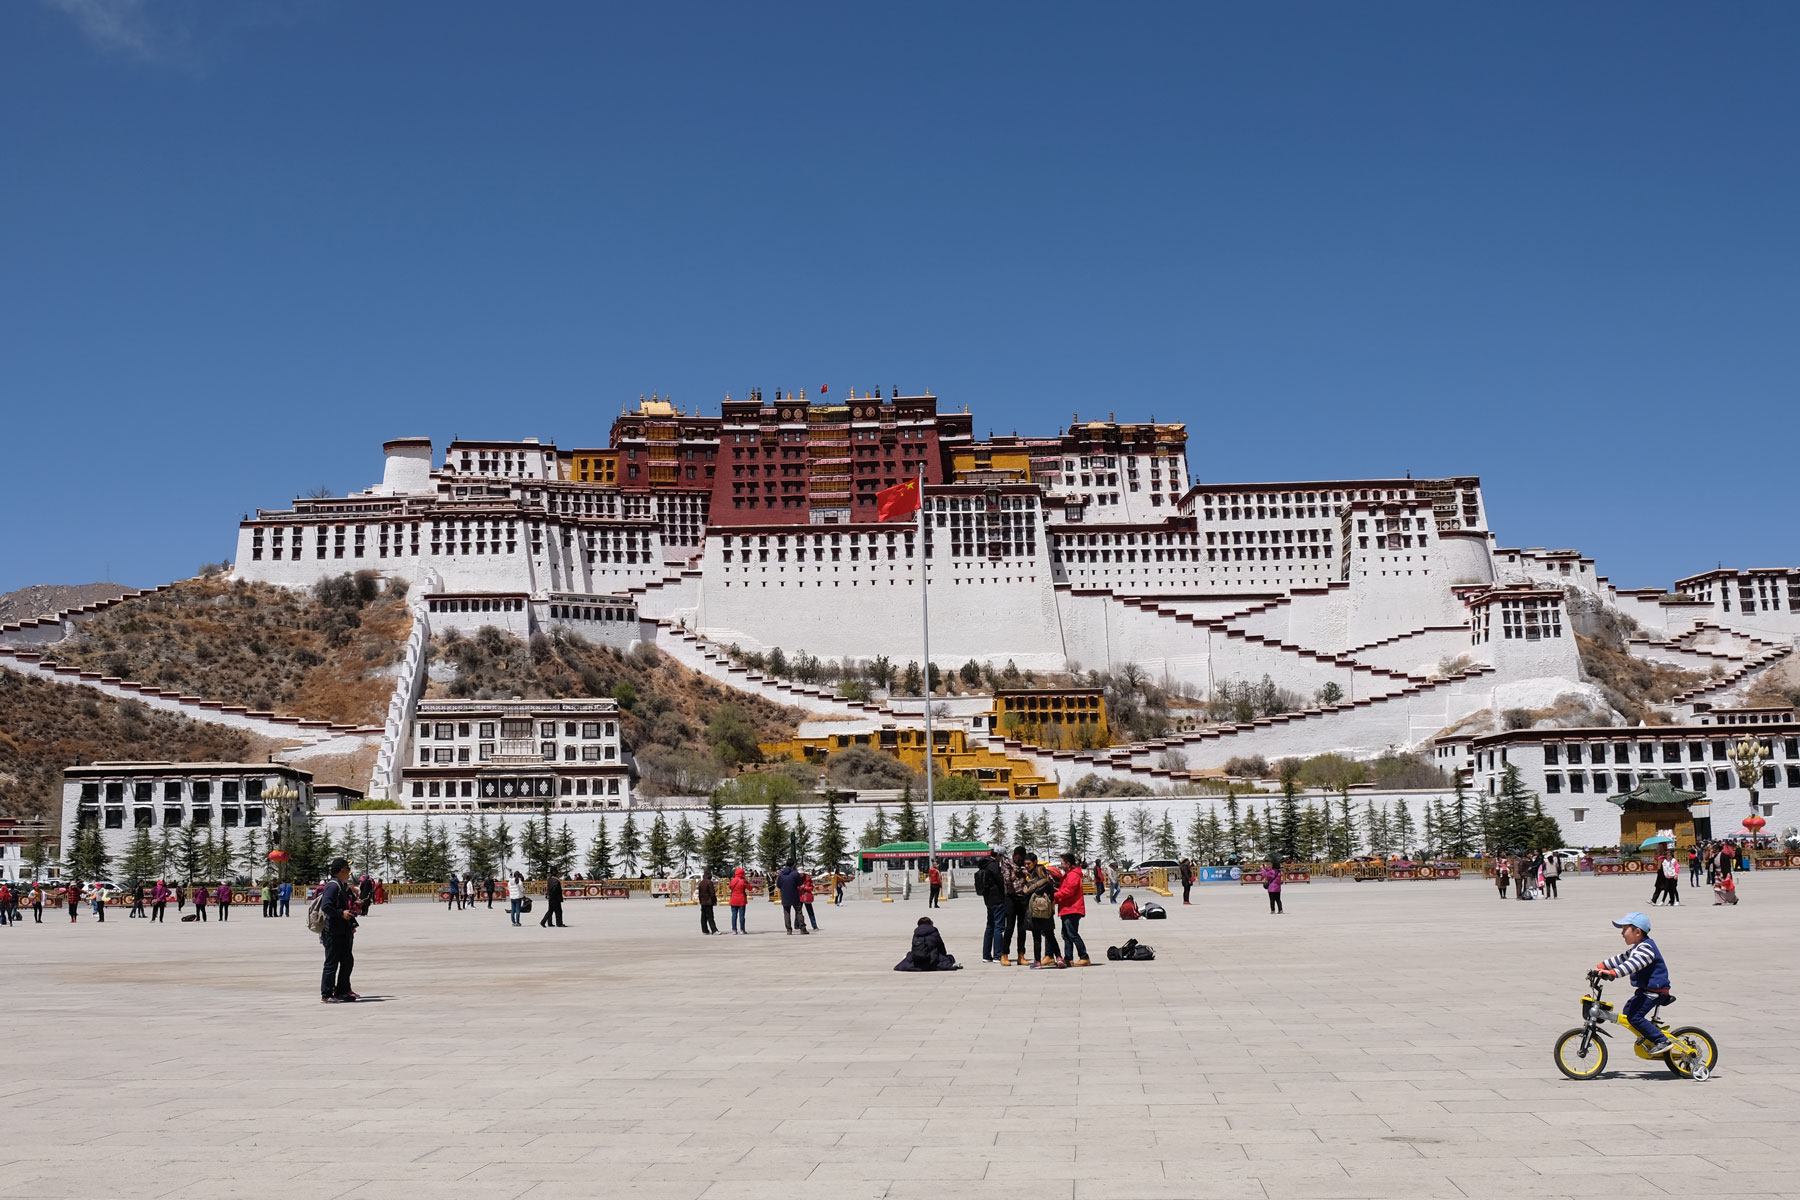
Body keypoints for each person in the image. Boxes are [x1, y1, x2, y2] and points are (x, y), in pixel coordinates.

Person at [1594, 911, 1674, 1054]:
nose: (1622, 933)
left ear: (1637, 932)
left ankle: (1661, 1040)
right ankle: (1649, 1035)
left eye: (1625, 929)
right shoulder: (1638, 947)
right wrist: (1601, 966)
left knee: (1634, 1016)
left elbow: (1632, 964)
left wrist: (1613, 973)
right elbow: (1621, 958)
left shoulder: (1646, 948)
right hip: (1646, 990)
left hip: (1655, 991)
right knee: (1628, 1012)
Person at [318, 858, 360, 1003]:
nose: (349, 873)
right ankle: (327, 993)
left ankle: (342, 990)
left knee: (347, 961)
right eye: (348, 870)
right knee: (331, 963)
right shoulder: (333, 886)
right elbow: (326, 906)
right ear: (342, 870)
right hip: (333, 931)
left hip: (343, 930)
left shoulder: (342, 886)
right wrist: (341, 913)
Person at [1021, 854, 1065, 968]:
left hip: (1034, 913)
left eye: (1028, 864)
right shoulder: (1049, 883)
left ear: (1035, 863)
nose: (1026, 866)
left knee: (1037, 937)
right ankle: (1059, 957)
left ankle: (1037, 961)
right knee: (1050, 935)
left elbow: (1025, 895)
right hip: (1046, 913)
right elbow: (1052, 896)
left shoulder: (1031, 884)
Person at [1055, 852, 1091, 966]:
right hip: (1066, 908)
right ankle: (1068, 957)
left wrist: (1055, 895)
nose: (1061, 865)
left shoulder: (1073, 875)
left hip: (1072, 908)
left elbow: (1069, 891)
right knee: (1066, 935)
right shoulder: (1068, 874)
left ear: (1068, 864)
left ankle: (1084, 956)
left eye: (1062, 863)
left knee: (1073, 934)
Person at [1000, 846, 1031, 966]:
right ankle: (1004, 954)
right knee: (1009, 928)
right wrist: (1016, 875)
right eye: (1019, 858)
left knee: (1022, 928)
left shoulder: (1024, 865)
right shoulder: (1007, 864)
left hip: (1022, 898)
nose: (1021, 860)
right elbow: (1007, 880)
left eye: (1022, 858)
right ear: (1014, 855)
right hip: (1011, 898)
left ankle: (1021, 955)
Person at [893, 917, 961, 971]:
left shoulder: (916, 932)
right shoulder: (934, 931)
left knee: (909, 956)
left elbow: (914, 946)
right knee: (949, 958)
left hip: (918, 957)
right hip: (931, 958)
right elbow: (941, 947)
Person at [976, 848, 1008, 963]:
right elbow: (1000, 881)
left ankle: (986, 955)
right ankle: (997, 955)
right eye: (1002, 856)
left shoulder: (984, 864)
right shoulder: (993, 866)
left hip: (988, 899)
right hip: (997, 899)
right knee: (999, 927)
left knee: (990, 926)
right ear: (998, 855)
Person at [777, 862, 808, 935]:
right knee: (798, 911)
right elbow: (800, 883)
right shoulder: (795, 873)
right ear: (793, 865)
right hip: (794, 895)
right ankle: (802, 929)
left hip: (784, 895)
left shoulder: (781, 874)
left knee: (786, 912)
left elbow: (778, 885)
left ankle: (789, 930)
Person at [728, 867, 750, 934]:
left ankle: (734, 930)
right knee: (742, 915)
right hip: (741, 900)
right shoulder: (743, 881)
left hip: (733, 899)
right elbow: (750, 888)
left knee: (734, 915)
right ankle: (742, 930)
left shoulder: (732, 880)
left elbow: (730, 887)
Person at [697, 869, 719, 934]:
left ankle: (705, 930)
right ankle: (714, 930)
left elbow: (699, 894)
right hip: (709, 901)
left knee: (703, 917)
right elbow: (712, 893)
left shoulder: (701, 883)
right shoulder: (709, 882)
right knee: (710, 917)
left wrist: (700, 901)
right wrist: (714, 901)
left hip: (703, 902)